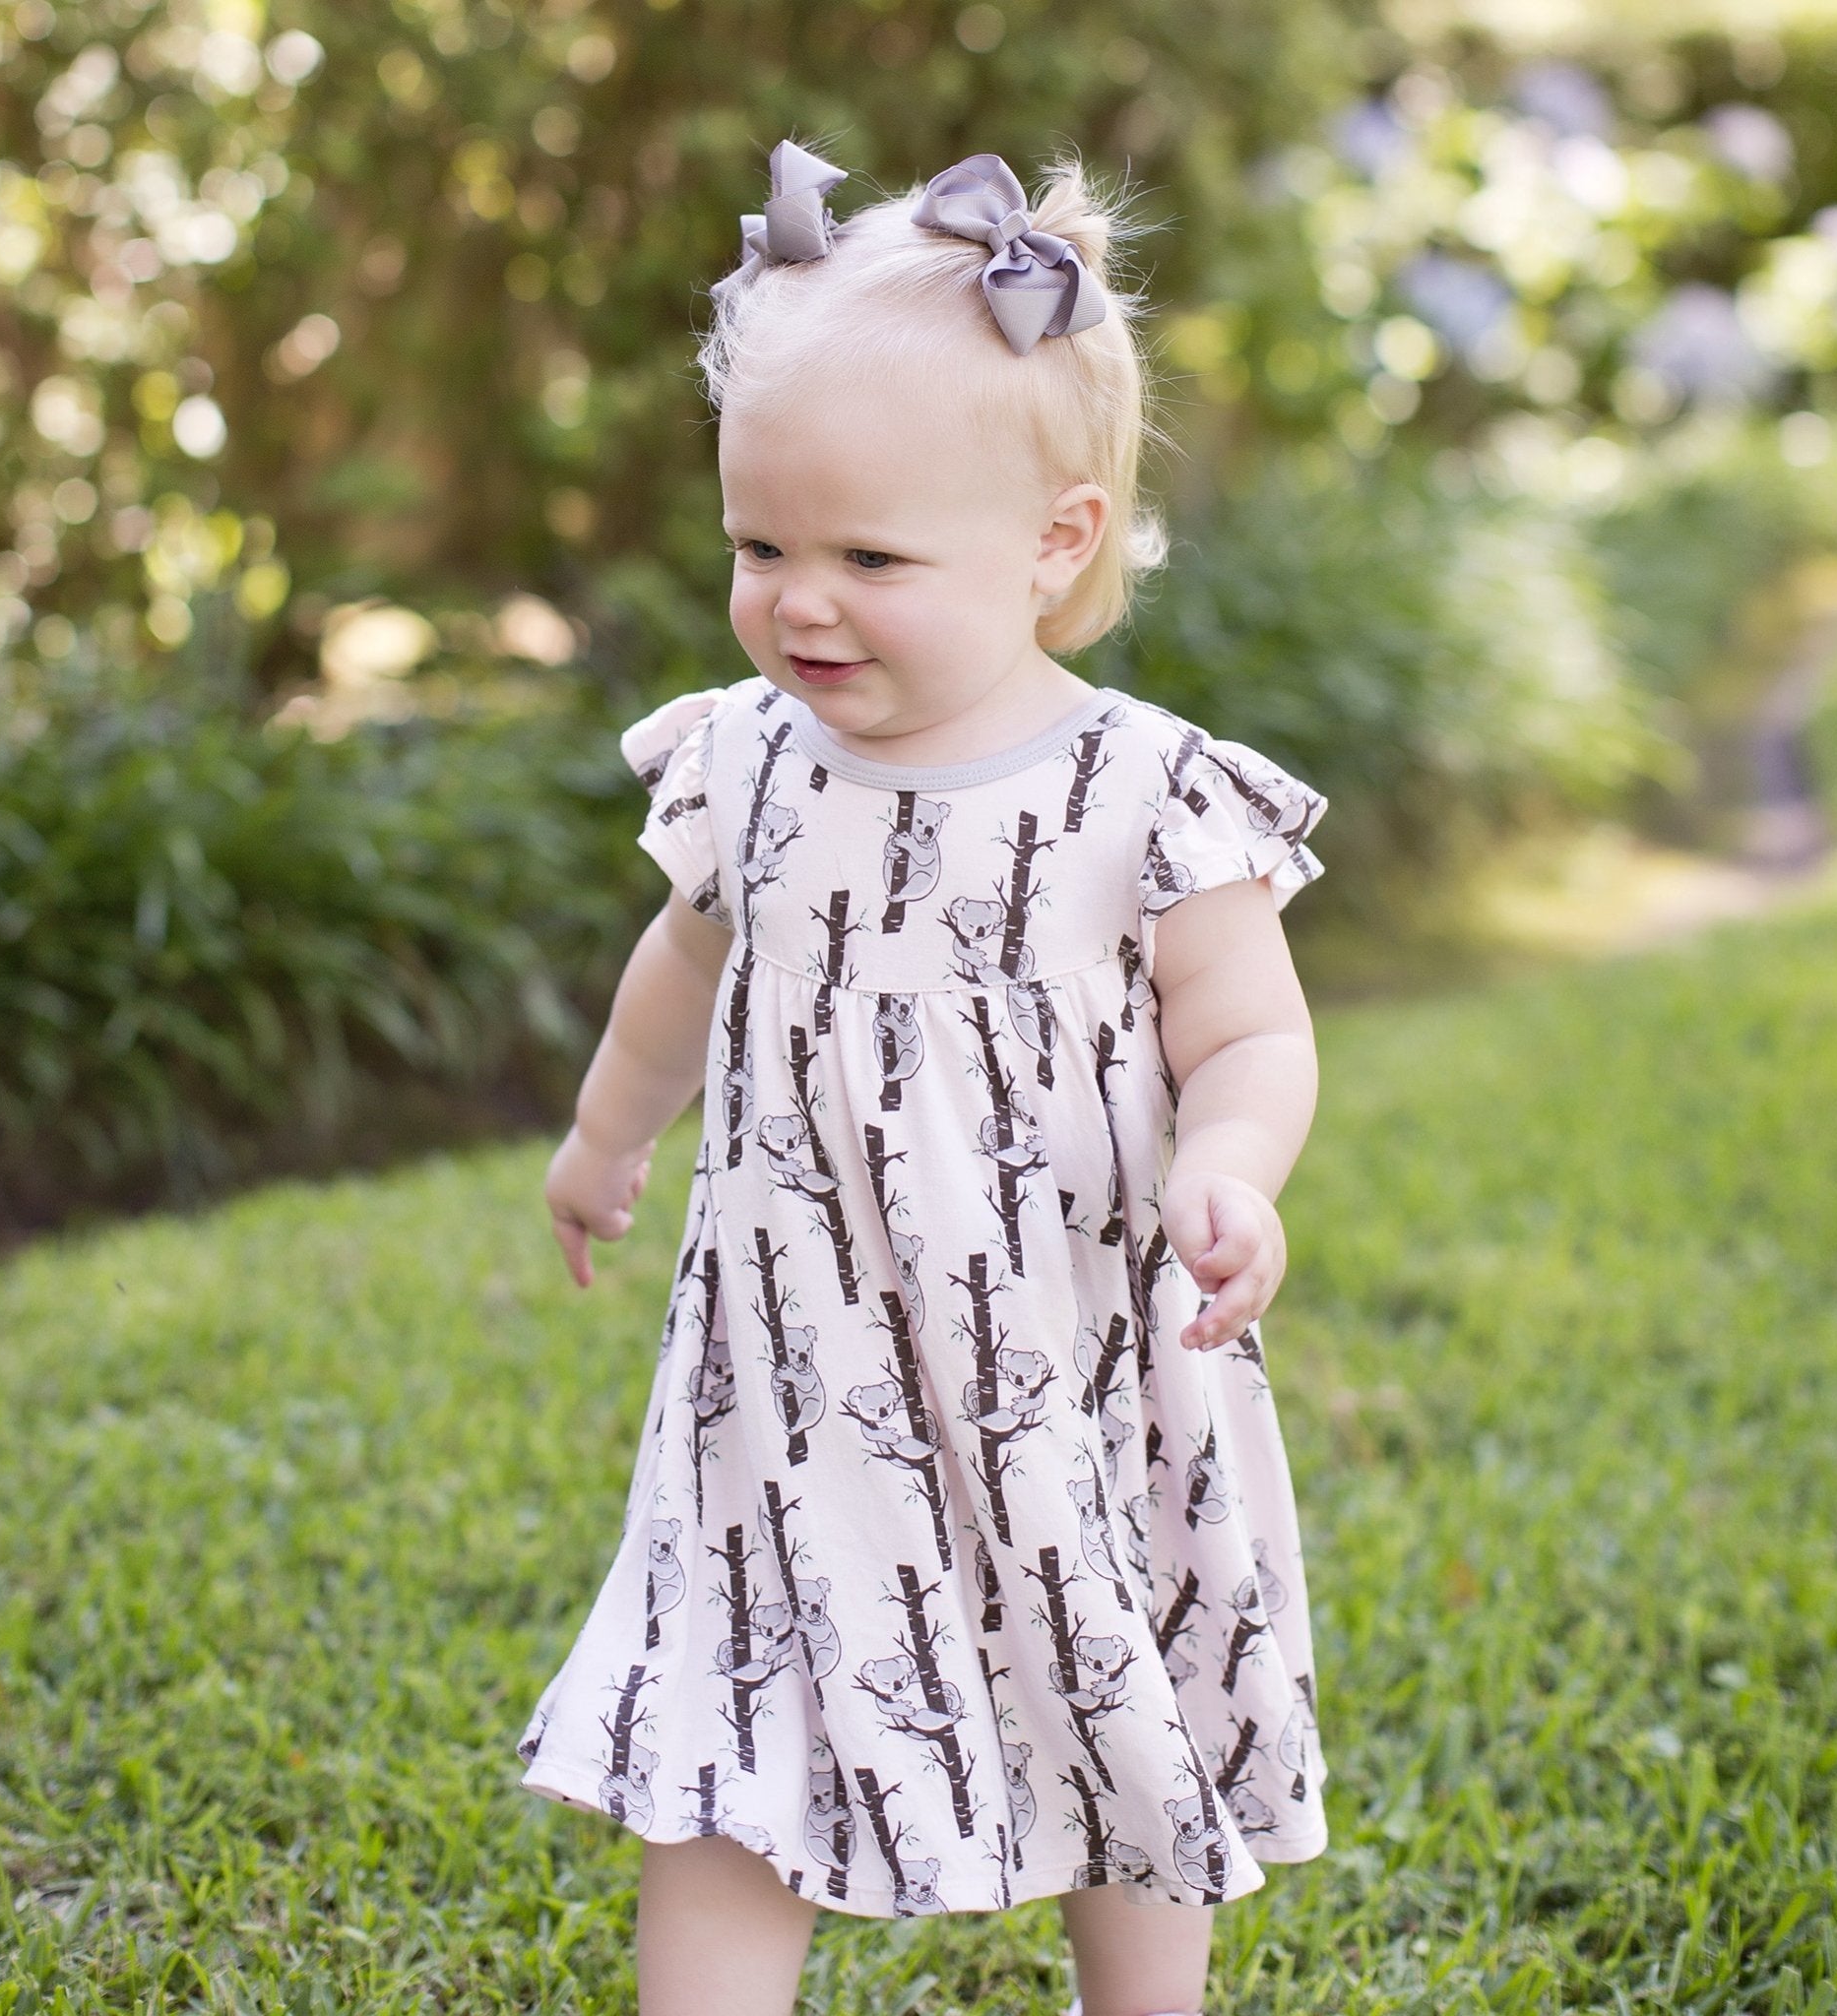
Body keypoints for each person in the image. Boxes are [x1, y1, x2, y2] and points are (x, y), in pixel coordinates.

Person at [519, 139, 1332, 2016]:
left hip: (1067, 1348)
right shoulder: (751, 762)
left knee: (1111, 1664)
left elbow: (1251, 1025)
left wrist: (1235, 1160)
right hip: (791, 1366)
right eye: (758, 547)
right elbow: (682, 969)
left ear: (1055, 543)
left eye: (868, 558)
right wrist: (600, 1135)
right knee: (737, 1693)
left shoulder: (1138, 791)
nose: (800, 605)